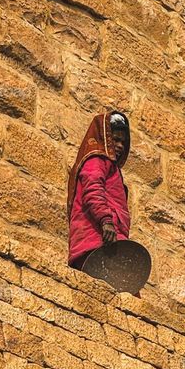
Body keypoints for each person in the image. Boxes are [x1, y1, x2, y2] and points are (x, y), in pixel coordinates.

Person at [67, 110, 131, 270]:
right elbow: (93, 189)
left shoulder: (110, 167)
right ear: (105, 139)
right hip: (97, 239)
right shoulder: (96, 160)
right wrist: (106, 221)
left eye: (123, 142)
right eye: (115, 140)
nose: (120, 146)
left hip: (110, 241)